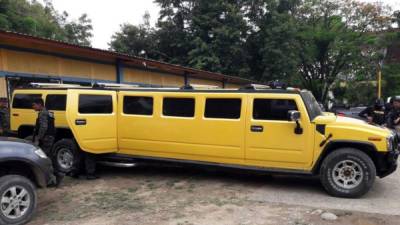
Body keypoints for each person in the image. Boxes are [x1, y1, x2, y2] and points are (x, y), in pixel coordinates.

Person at [32, 98, 64, 185]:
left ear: (40, 105)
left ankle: (50, 179)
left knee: (43, 159)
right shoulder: (49, 113)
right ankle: (58, 174)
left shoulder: (43, 113)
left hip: (45, 138)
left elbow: (43, 127)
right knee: (48, 157)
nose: (33, 107)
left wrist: (38, 138)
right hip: (49, 137)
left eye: (34, 105)